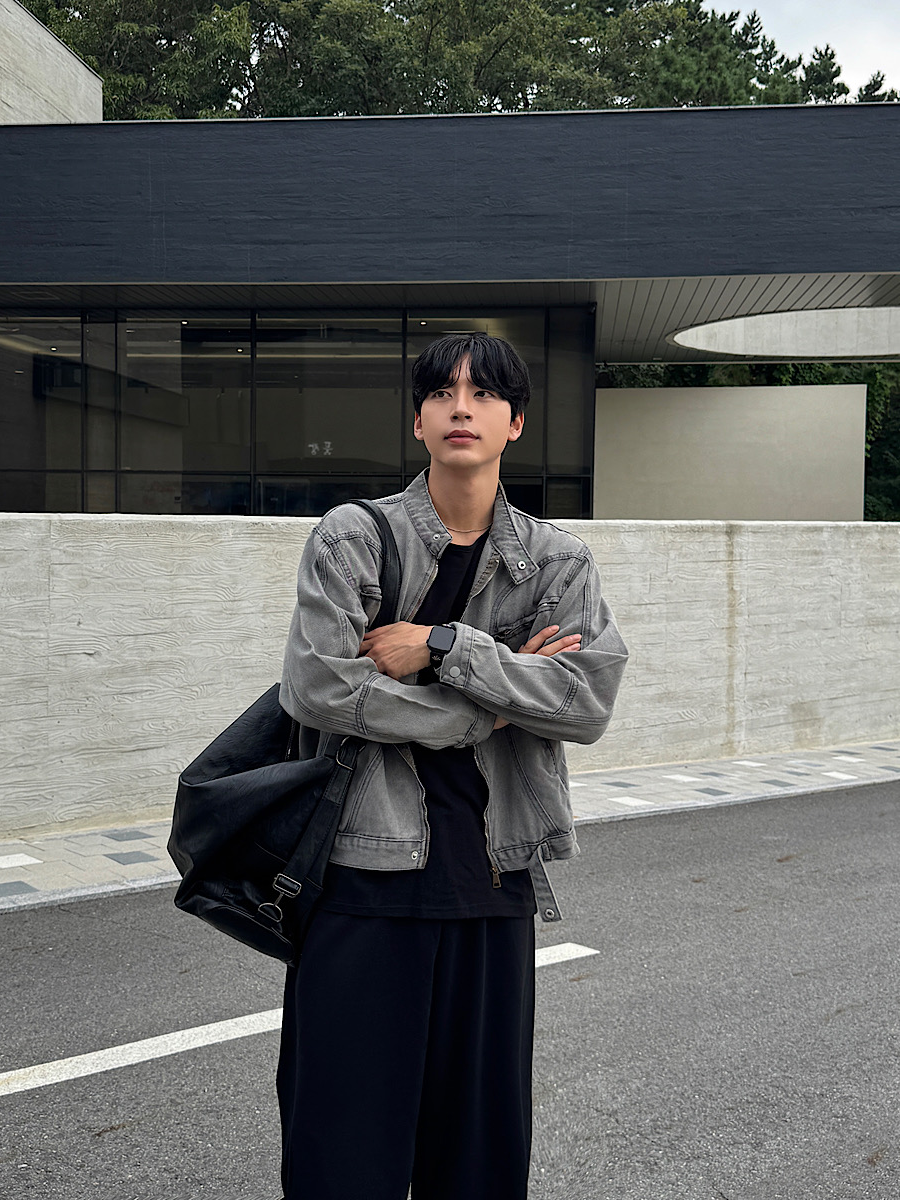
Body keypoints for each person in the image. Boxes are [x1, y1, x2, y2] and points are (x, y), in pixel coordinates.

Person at [276, 331, 628, 1200]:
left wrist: (445, 647)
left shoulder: (556, 561)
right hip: (362, 876)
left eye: (483, 394)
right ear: (419, 420)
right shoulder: (354, 537)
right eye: (441, 393)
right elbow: (319, 687)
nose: (460, 408)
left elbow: (584, 701)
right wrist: (495, 705)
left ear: (516, 422)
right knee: (343, 1151)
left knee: (478, 1159)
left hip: (493, 878)